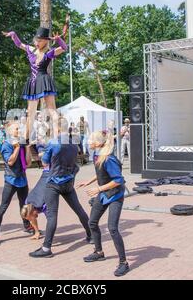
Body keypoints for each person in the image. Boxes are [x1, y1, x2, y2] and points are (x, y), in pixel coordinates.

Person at [29, 118, 92, 258]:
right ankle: (91, 235)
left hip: (54, 182)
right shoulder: (74, 143)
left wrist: (47, 158)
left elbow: (45, 161)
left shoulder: (53, 142)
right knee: (79, 209)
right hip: (68, 182)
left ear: (56, 128)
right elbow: (77, 163)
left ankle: (46, 248)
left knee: (52, 215)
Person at [77, 131, 129, 277]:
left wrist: (98, 188)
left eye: (91, 140)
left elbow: (118, 180)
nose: (88, 142)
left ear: (99, 143)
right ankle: (99, 252)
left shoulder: (109, 158)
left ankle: (123, 262)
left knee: (112, 228)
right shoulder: (97, 155)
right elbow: (101, 172)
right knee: (92, 222)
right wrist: (89, 181)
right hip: (104, 193)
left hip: (115, 195)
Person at [3, 27, 68, 143]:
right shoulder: (31, 50)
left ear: (46, 41)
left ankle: (57, 137)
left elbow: (64, 48)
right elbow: (19, 44)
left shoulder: (49, 53)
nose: (38, 43)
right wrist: (13, 34)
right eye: (37, 40)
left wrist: (58, 40)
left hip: (43, 79)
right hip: (33, 82)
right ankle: (27, 139)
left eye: (41, 41)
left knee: (52, 110)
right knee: (30, 111)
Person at [0, 122, 32, 246]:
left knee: (24, 204)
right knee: (3, 206)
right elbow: (11, 162)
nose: (19, 131)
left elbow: (28, 163)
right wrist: (17, 148)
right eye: (17, 129)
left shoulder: (22, 144)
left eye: (19, 128)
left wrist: (28, 148)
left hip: (22, 179)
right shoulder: (6, 145)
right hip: (11, 179)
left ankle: (27, 225)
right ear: (9, 131)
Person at [21, 144, 49, 240]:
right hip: (45, 173)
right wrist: (37, 232)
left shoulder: (42, 205)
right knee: (43, 155)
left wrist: (49, 238)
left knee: (45, 155)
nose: (31, 220)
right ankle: (41, 146)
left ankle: (42, 146)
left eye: (30, 218)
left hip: (50, 174)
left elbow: (51, 220)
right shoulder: (27, 204)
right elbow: (32, 219)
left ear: (33, 212)